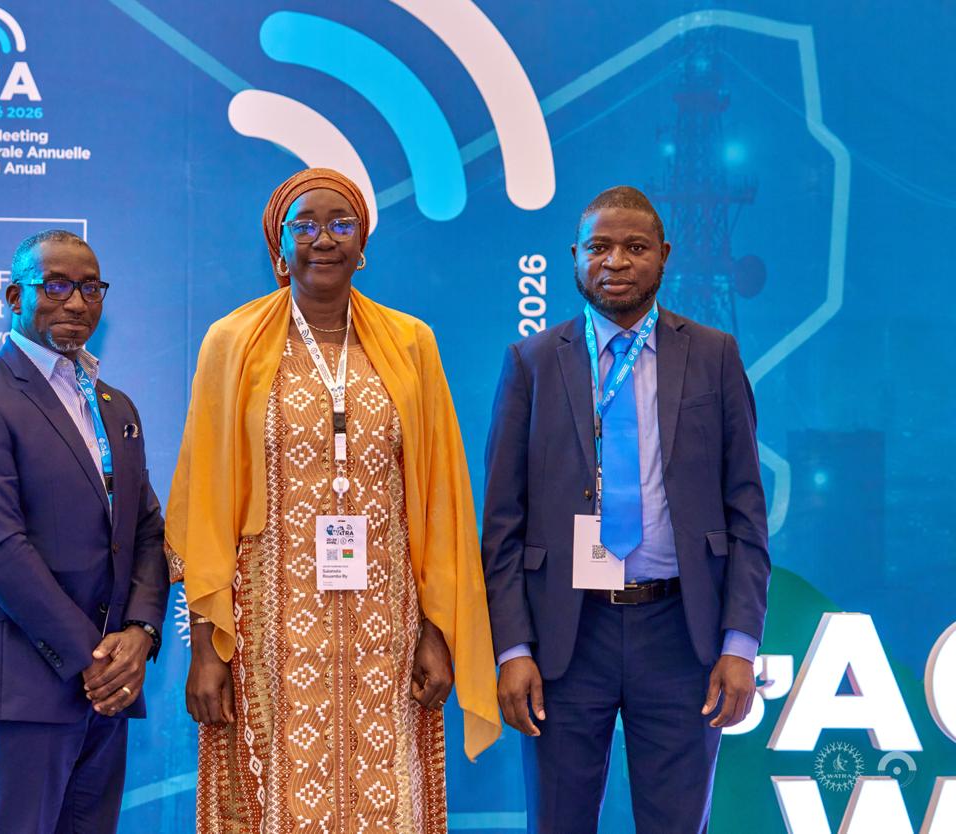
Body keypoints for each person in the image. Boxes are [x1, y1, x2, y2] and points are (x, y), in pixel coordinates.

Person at [165, 168, 500, 833]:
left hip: (388, 630)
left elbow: (440, 500)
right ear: (279, 245)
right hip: (265, 634)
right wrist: (206, 645)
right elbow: (203, 505)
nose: (324, 239)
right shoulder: (232, 343)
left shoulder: (410, 343)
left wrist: (438, 631)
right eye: (306, 225)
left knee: (388, 802)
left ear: (363, 243)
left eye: (341, 224)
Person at [481, 186, 769, 833]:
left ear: (663, 255)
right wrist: (513, 649)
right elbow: (502, 525)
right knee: (558, 822)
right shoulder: (531, 363)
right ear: (574, 256)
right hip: (565, 635)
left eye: (635, 247)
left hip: (681, 633)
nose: (616, 261)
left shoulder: (714, 356)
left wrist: (740, 644)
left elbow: (747, 514)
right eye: (600, 247)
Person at [0, 230, 169, 834]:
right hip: (27, 681)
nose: (77, 302)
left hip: (109, 686)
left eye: (91, 287)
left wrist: (139, 634)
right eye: (56, 285)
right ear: (15, 297)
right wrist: (93, 658)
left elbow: (146, 530)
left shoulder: (117, 407)